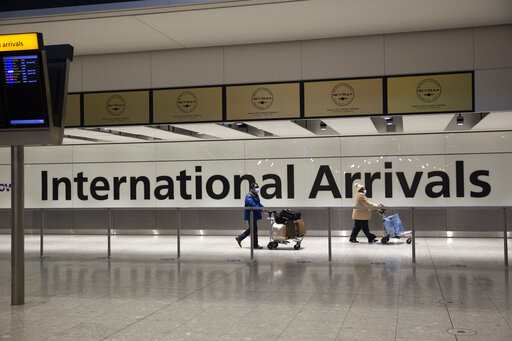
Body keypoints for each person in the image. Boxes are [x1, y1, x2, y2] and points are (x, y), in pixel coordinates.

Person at [236, 183, 264, 249]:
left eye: (257, 187)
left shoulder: (255, 195)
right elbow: (253, 204)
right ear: (251, 189)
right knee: (253, 229)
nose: (257, 189)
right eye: (255, 188)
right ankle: (254, 244)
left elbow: (258, 204)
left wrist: (264, 208)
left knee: (252, 229)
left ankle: (240, 238)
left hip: (254, 214)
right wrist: (261, 209)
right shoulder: (249, 196)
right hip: (251, 215)